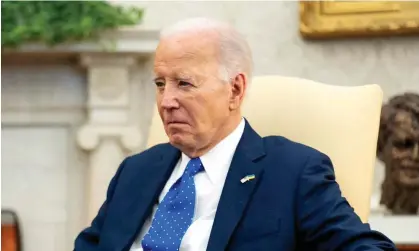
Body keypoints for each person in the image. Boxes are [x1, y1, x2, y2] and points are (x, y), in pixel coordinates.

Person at [74, 17, 396, 251]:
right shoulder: (136, 170)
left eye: (184, 83)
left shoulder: (293, 172)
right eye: (160, 84)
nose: (167, 102)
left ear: (235, 90)